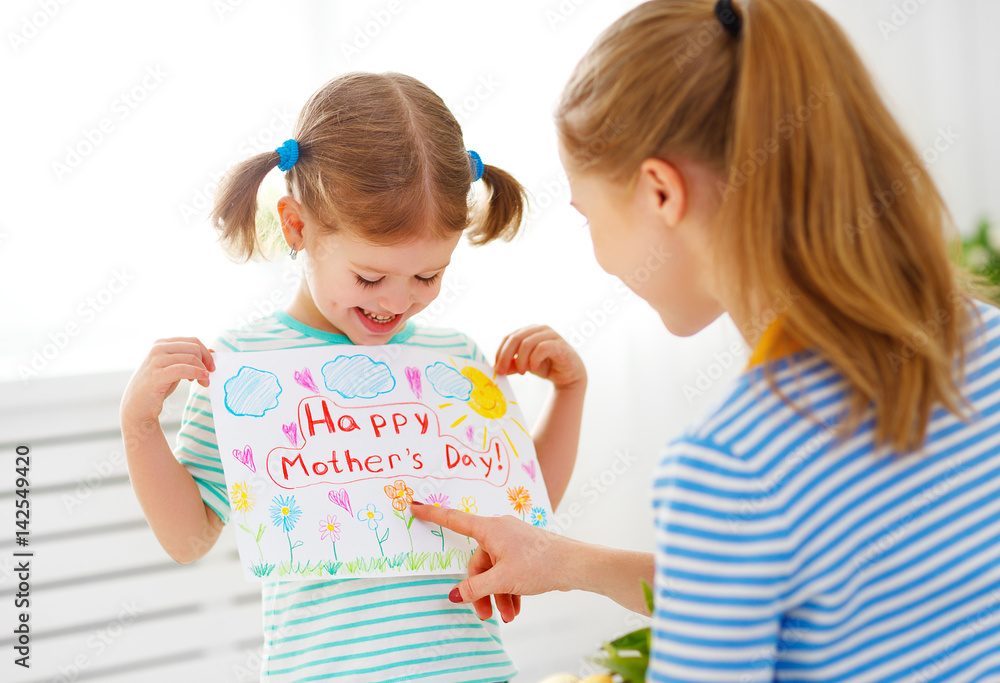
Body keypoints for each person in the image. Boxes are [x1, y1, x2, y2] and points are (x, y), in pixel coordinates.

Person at [410, 0, 1000, 680]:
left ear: (661, 193)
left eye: (588, 217)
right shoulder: (977, 344)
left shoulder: (734, 461)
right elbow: (810, 589)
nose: (599, 252)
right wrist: (565, 561)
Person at [119, 71, 587, 683]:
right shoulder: (246, 367)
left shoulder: (454, 359)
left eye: (428, 277)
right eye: (370, 278)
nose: (398, 302)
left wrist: (570, 393)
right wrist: (139, 425)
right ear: (296, 227)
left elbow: (523, 514)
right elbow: (188, 539)